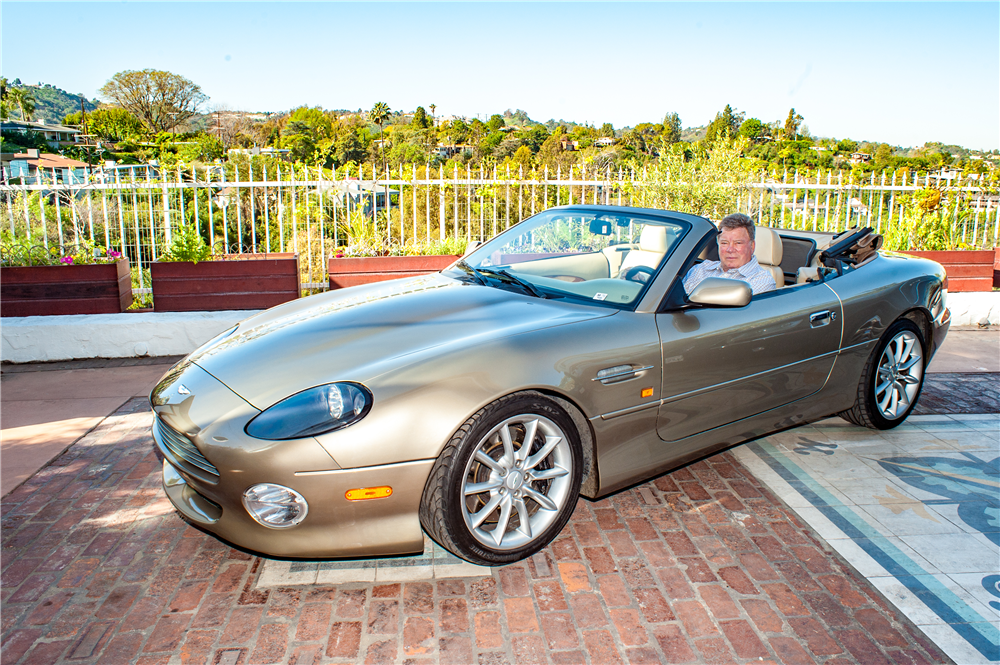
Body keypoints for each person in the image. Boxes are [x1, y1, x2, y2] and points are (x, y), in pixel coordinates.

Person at [682, 213, 776, 296]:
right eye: (724, 243)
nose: (730, 249)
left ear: (752, 246)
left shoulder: (762, 281)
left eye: (738, 243)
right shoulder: (700, 269)